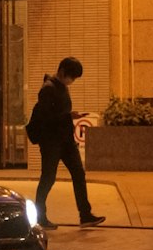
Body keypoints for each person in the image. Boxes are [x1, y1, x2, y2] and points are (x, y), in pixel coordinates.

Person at [30, 56, 105, 230]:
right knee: (48, 178)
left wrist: (69, 117)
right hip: (51, 142)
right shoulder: (48, 89)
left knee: (79, 174)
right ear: (62, 72)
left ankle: (85, 214)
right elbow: (46, 118)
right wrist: (68, 116)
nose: (72, 81)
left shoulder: (61, 86)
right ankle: (40, 216)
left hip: (66, 141)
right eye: (72, 77)